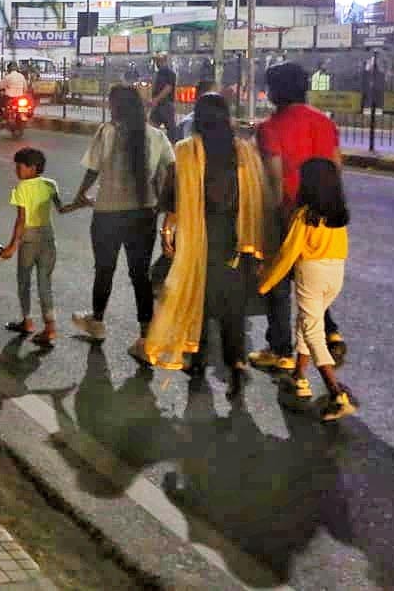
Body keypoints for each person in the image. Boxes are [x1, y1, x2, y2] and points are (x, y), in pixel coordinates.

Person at [145, 93, 272, 397]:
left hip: (199, 238)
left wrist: (167, 234)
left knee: (198, 302)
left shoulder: (187, 151)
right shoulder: (244, 152)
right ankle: (237, 361)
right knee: (232, 307)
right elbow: (257, 199)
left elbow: (173, 200)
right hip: (237, 239)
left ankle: (197, 360)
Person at [251, 62, 346, 371]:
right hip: (323, 212)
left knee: (279, 280)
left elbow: (275, 181)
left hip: (289, 213)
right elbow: (335, 167)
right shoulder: (325, 123)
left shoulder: (270, 128)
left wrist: (272, 220)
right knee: (312, 275)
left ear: (276, 92)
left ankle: (280, 350)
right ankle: (330, 330)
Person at [70, 85, 176, 345]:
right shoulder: (156, 136)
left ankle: (97, 322)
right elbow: (172, 170)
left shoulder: (107, 132)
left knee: (104, 269)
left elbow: (93, 170)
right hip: (144, 214)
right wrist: (162, 203)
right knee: (140, 274)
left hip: (108, 214)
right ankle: (145, 333)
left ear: (117, 107)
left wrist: (80, 195)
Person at [256, 159, 357, 422]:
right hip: (335, 274)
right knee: (307, 322)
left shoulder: (304, 215)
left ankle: (336, 395)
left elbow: (287, 255)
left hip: (311, 273)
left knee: (313, 333)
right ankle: (299, 376)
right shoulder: (338, 215)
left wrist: (265, 281)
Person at [0, 147, 79, 346]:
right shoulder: (50, 184)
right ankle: (50, 328)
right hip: (49, 240)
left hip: (29, 241)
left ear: (32, 168)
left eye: (19, 166)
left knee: (24, 282)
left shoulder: (21, 188)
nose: (17, 170)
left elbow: (21, 221)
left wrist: (10, 248)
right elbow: (62, 209)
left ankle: (28, 322)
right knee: (45, 285)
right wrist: (81, 203)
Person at [149, 52, 179, 141]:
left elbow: (168, 88)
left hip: (166, 105)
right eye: (156, 61)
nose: (157, 63)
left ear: (164, 61)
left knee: (171, 130)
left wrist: (156, 100)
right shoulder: (159, 73)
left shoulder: (168, 72)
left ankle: (172, 148)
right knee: (152, 127)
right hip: (159, 105)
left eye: (159, 61)